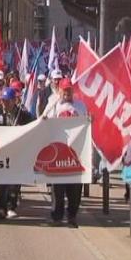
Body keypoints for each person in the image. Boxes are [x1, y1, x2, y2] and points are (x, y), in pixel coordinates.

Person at [43, 78, 87, 228]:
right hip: (58, 151)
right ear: (59, 90)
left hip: (76, 153)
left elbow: (87, 124)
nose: (67, 92)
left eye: (69, 89)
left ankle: (72, 215)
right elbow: (44, 121)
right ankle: (57, 216)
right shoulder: (53, 105)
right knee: (58, 188)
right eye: (65, 89)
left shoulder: (80, 106)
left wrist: (90, 120)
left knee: (75, 187)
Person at [0, 87, 34, 219]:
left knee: (14, 182)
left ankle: (11, 207)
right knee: (0, 182)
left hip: (17, 153)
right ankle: (0, 207)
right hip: (0, 152)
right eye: (3, 100)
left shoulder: (23, 115)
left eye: (8, 101)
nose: (5, 103)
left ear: (15, 100)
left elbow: (33, 127)